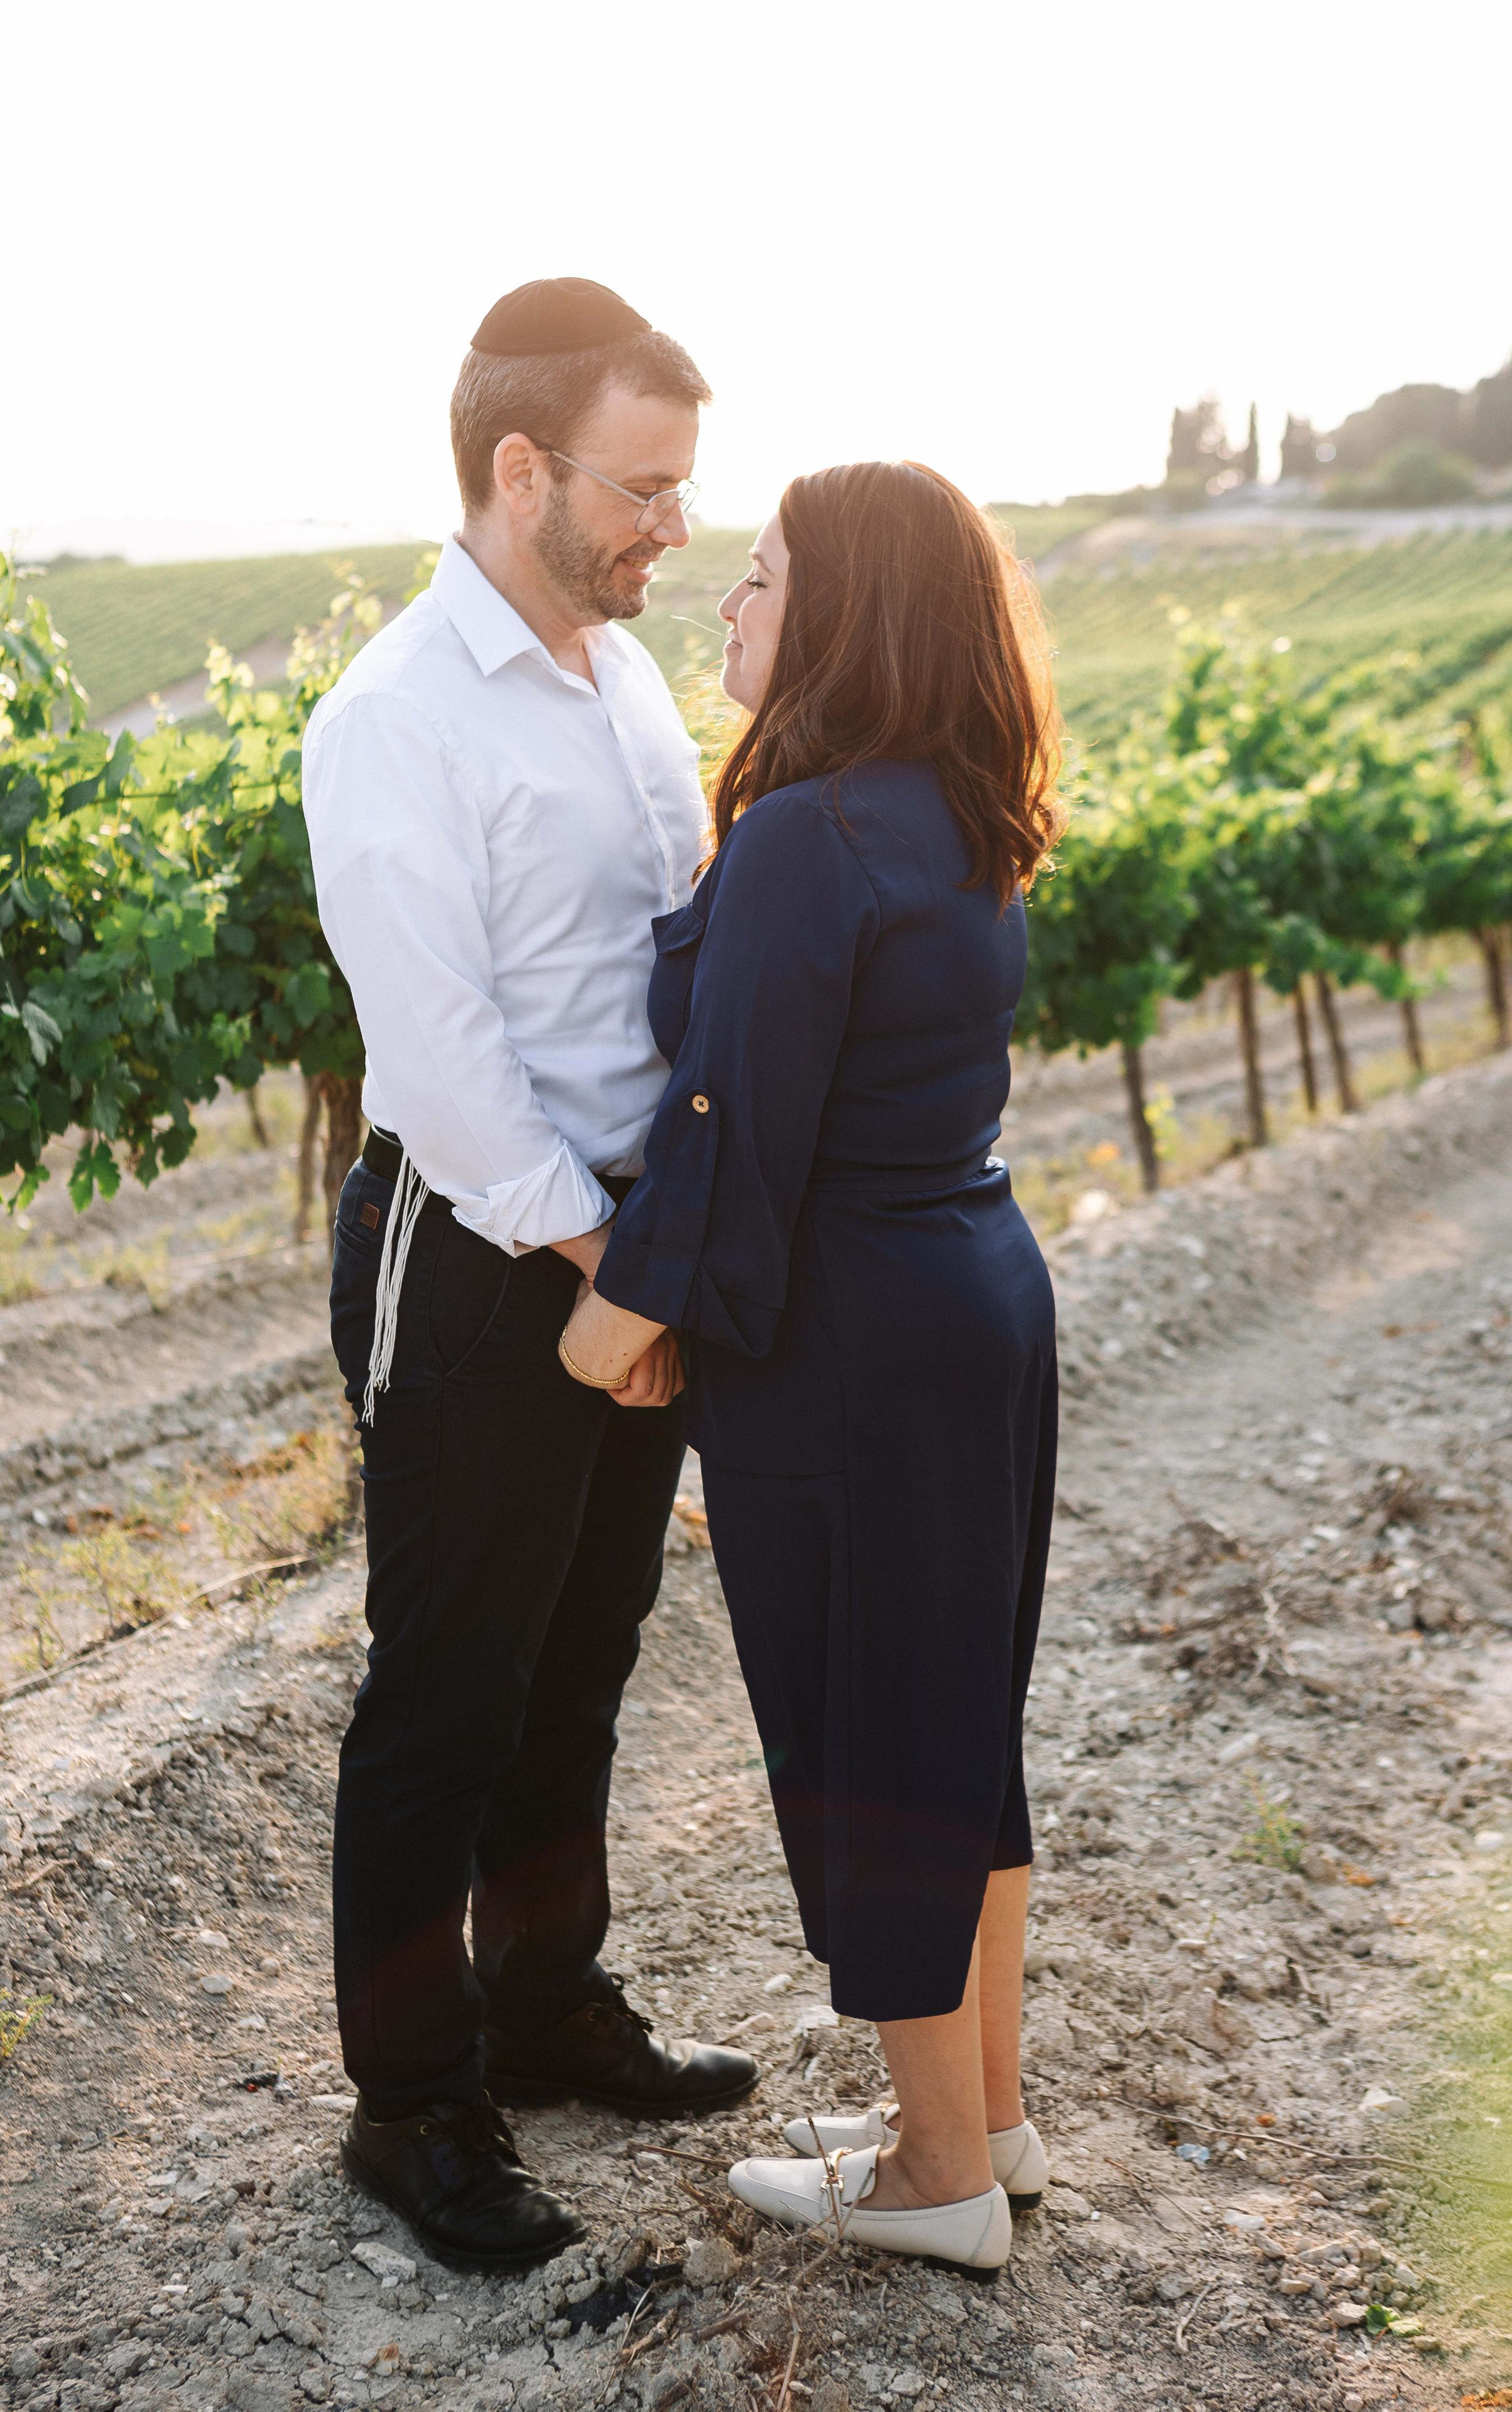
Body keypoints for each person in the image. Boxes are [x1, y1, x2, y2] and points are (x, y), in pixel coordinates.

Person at [560, 460, 1062, 2278]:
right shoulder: (949, 811)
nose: (730, 606)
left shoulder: (806, 835)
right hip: (976, 1295)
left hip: (858, 1342)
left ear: (841, 613)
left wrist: (627, 1312)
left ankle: (937, 2179)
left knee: (869, 1737)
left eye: (763, 578)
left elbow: (735, 1120)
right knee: (954, 1724)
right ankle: (982, 2117)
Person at [302, 278, 758, 2276]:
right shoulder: (393, 718)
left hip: (626, 1256)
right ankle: (413, 2107)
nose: (677, 525)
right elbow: (444, 1056)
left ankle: (548, 2005)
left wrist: (661, 1265)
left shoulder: (625, 679)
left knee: (582, 1661)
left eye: (685, 489)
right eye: (645, 489)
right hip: (490, 1259)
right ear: (520, 471)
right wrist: (608, 1263)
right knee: (449, 1698)